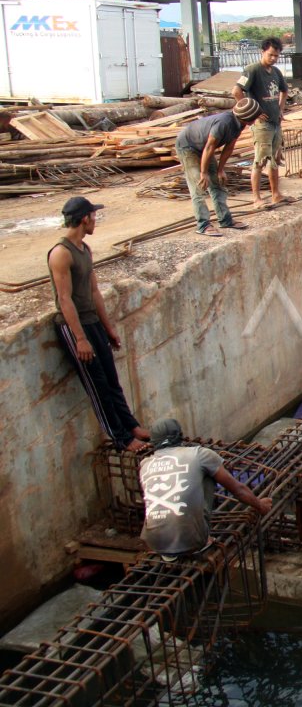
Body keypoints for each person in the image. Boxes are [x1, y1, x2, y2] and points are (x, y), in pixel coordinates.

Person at [48, 197, 151, 452]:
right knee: (98, 385)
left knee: (112, 379)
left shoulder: (84, 249)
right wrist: (80, 338)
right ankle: (121, 438)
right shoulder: (61, 253)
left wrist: (107, 328)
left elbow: (94, 292)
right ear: (85, 218)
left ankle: (130, 424)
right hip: (74, 326)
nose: (96, 221)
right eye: (93, 216)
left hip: (92, 321)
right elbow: (64, 299)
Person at [140, 418, 273, 560]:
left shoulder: (144, 464)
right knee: (208, 476)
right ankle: (203, 538)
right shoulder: (199, 454)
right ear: (180, 436)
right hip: (194, 541)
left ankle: (167, 542)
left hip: (154, 543)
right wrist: (260, 505)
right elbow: (237, 489)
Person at [175, 98, 261, 237]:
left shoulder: (239, 124)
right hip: (188, 146)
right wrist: (203, 172)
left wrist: (221, 169)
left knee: (217, 184)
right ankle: (203, 225)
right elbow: (209, 147)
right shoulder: (224, 123)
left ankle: (225, 220)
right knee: (199, 185)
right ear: (249, 117)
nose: (256, 120)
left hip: (203, 148)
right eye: (255, 117)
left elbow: (229, 147)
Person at [232, 37, 289, 206]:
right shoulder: (252, 70)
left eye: (276, 56)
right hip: (262, 124)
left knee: (274, 159)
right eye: (270, 55)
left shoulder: (276, 72)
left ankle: (275, 194)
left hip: (275, 122)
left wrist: (280, 109)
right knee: (260, 160)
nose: (273, 59)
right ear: (262, 52)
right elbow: (236, 91)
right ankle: (256, 198)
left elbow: (284, 91)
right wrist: (252, 113)